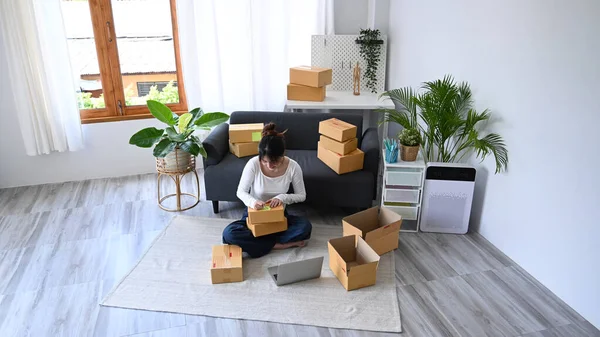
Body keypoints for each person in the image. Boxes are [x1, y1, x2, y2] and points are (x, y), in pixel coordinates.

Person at [222, 123, 312, 258]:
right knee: (229, 233)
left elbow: (301, 195)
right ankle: (278, 244)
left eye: (274, 161)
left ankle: (259, 243)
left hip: (279, 215)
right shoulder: (253, 164)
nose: (270, 166)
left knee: (305, 227)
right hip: (254, 214)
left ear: (282, 154)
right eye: (265, 161)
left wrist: (282, 197)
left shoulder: (293, 167)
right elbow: (240, 192)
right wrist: (253, 202)